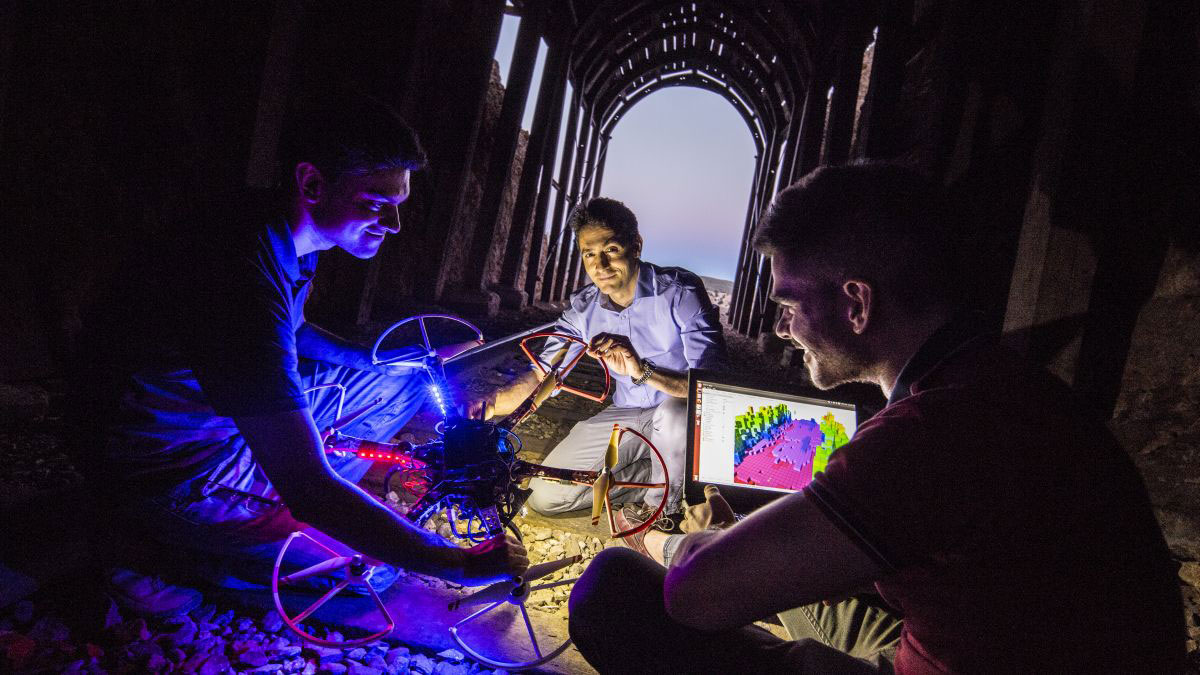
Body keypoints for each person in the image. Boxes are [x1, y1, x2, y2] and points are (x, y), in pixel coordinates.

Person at [567, 162, 1186, 673]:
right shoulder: (1001, 384)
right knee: (811, 601)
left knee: (613, 588)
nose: (784, 328)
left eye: (790, 304)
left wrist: (694, 545)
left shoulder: (926, 434)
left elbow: (696, 596)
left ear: (856, 303)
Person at [74, 93, 527, 617]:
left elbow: (295, 329)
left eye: (398, 205)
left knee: (400, 380)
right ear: (312, 183)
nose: (394, 225)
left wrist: (375, 359)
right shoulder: (237, 275)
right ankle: (166, 549)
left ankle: (270, 517)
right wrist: (456, 563)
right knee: (373, 572)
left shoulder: (276, 234)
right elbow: (307, 486)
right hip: (180, 471)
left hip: (225, 426)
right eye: (377, 204)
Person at [467, 197, 725, 527]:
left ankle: (664, 509)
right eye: (589, 254)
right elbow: (543, 374)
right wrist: (491, 404)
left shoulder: (680, 292)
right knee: (547, 497)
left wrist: (642, 370)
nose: (600, 265)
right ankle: (653, 476)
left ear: (636, 246)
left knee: (673, 414)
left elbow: (709, 386)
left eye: (611, 250)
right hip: (627, 413)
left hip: (681, 413)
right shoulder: (583, 309)